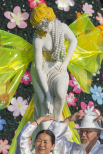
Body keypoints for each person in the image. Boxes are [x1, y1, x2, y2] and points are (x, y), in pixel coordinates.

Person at [30, 3, 78, 133]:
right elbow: (39, 68)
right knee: (44, 102)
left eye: (42, 24)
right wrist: (47, 95)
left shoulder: (61, 28)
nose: (41, 28)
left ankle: (58, 120)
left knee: (61, 93)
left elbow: (74, 41)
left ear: (48, 20)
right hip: (42, 71)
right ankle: (46, 126)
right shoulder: (38, 38)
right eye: (37, 26)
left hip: (58, 67)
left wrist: (65, 64)